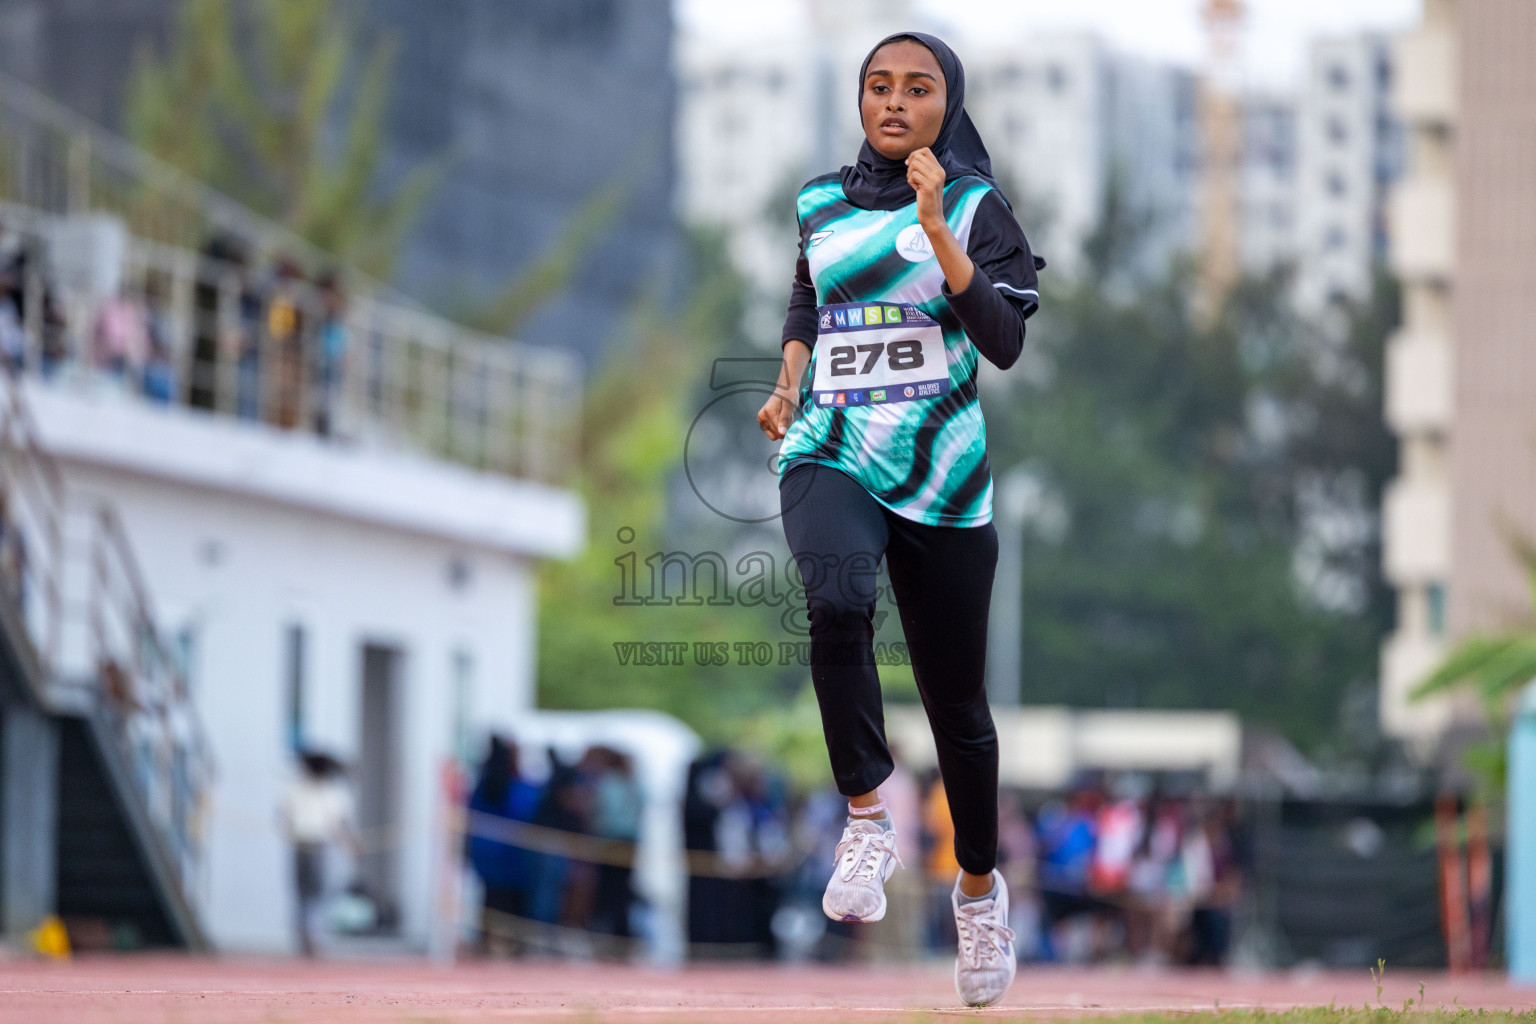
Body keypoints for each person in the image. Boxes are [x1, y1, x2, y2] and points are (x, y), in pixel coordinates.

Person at [756, 32, 1043, 1007]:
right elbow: (810, 298)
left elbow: (1002, 343)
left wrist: (938, 232)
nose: (892, 103)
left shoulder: (973, 208)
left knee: (959, 709)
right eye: (877, 86)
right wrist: (790, 383)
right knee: (835, 596)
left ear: (947, 106)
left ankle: (975, 890)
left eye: (916, 90)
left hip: (944, 480)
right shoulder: (817, 202)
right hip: (828, 447)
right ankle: (868, 814)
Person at [277, 751, 357, 957]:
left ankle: (308, 935)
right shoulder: (326, 792)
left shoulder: (298, 789)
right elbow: (340, 823)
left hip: (309, 845)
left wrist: (351, 843)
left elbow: (283, 817)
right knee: (311, 893)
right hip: (309, 846)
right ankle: (308, 936)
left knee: (307, 893)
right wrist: (351, 844)